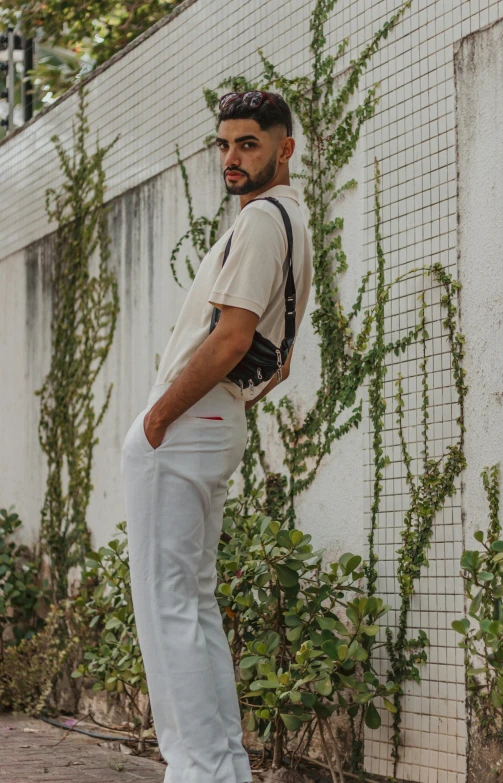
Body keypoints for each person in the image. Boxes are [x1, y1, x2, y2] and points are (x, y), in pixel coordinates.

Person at [120, 90, 313, 783]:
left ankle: (199, 770)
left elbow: (234, 336)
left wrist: (159, 417)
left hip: (186, 421)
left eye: (249, 144)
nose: (232, 157)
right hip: (216, 419)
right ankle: (221, 767)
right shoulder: (294, 223)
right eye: (225, 144)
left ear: (284, 148)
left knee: (166, 605)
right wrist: (229, 404)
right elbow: (279, 360)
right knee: (192, 604)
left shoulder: (262, 220)